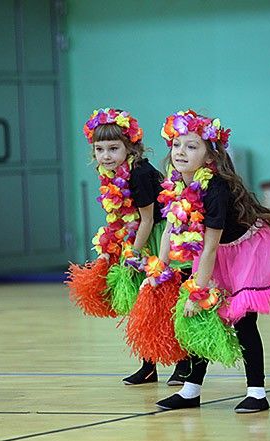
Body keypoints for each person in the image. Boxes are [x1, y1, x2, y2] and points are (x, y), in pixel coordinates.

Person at [144, 110, 270, 412]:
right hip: (213, 253)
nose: (181, 152)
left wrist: (198, 293)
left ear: (210, 156)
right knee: (198, 320)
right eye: (176, 145)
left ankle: (257, 393)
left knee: (243, 320)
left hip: (245, 251)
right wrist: (160, 269)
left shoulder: (215, 189)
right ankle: (190, 391)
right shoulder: (177, 183)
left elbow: (210, 247)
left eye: (191, 146)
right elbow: (170, 229)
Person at [66, 108, 190, 386]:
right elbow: (123, 215)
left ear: (130, 147)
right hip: (137, 236)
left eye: (113, 148)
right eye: (100, 149)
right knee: (141, 305)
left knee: (167, 302)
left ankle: (184, 365)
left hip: (160, 237)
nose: (106, 155)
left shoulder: (140, 173)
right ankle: (148, 366)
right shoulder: (112, 172)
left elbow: (148, 219)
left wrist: (133, 253)